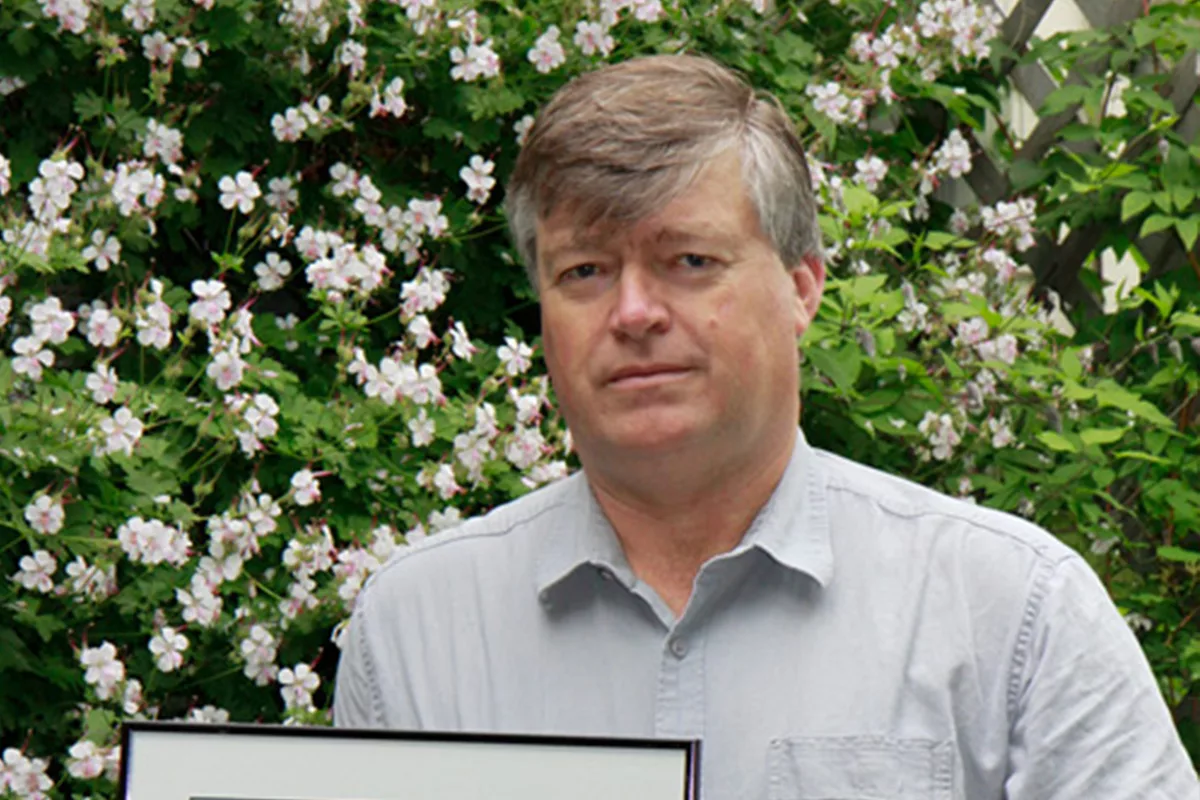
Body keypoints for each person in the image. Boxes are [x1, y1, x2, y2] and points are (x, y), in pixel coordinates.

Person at [334, 54, 1198, 798]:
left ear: (801, 288)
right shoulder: (414, 629)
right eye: (586, 270)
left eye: (690, 262)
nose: (634, 312)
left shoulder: (1012, 613)